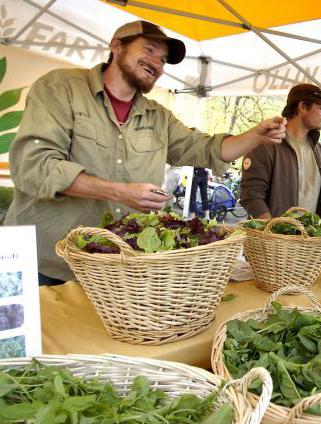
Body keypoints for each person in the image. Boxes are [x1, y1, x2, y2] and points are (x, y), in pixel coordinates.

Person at [5, 20, 286, 285]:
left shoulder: (158, 116)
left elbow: (205, 149)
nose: (157, 63)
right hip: (46, 265)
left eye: (163, 60)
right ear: (116, 46)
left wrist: (254, 136)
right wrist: (119, 192)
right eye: (149, 51)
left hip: (114, 270)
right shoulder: (61, 88)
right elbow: (34, 166)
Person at [240, 83, 321, 221]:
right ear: (301, 107)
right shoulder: (266, 145)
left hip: (312, 239)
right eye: (320, 108)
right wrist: (270, 230)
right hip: (273, 239)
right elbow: (251, 195)